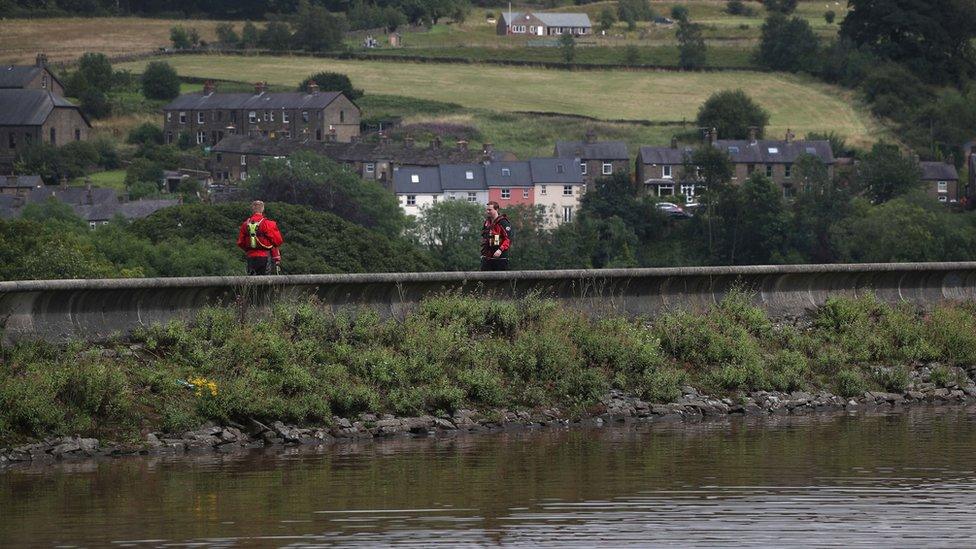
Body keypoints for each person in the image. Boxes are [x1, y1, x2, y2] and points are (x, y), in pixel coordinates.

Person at [237, 200, 284, 275]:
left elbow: (240, 242)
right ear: (263, 209)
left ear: (252, 209)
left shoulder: (245, 225)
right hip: (264, 256)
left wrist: (249, 249)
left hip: (250, 257)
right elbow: (278, 241)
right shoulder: (268, 224)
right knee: (264, 282)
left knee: (251, 281)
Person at [481, 201, 512, 271]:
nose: (488, 212)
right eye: (487, 210)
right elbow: (484, 237)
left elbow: (508, 239)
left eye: (490, 210)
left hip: (500, 258)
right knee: (484, 279)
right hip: (487, 257)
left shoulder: (503, 222)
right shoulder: (487, 222)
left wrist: (500, 250)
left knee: (500, 280)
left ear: (496, 209)